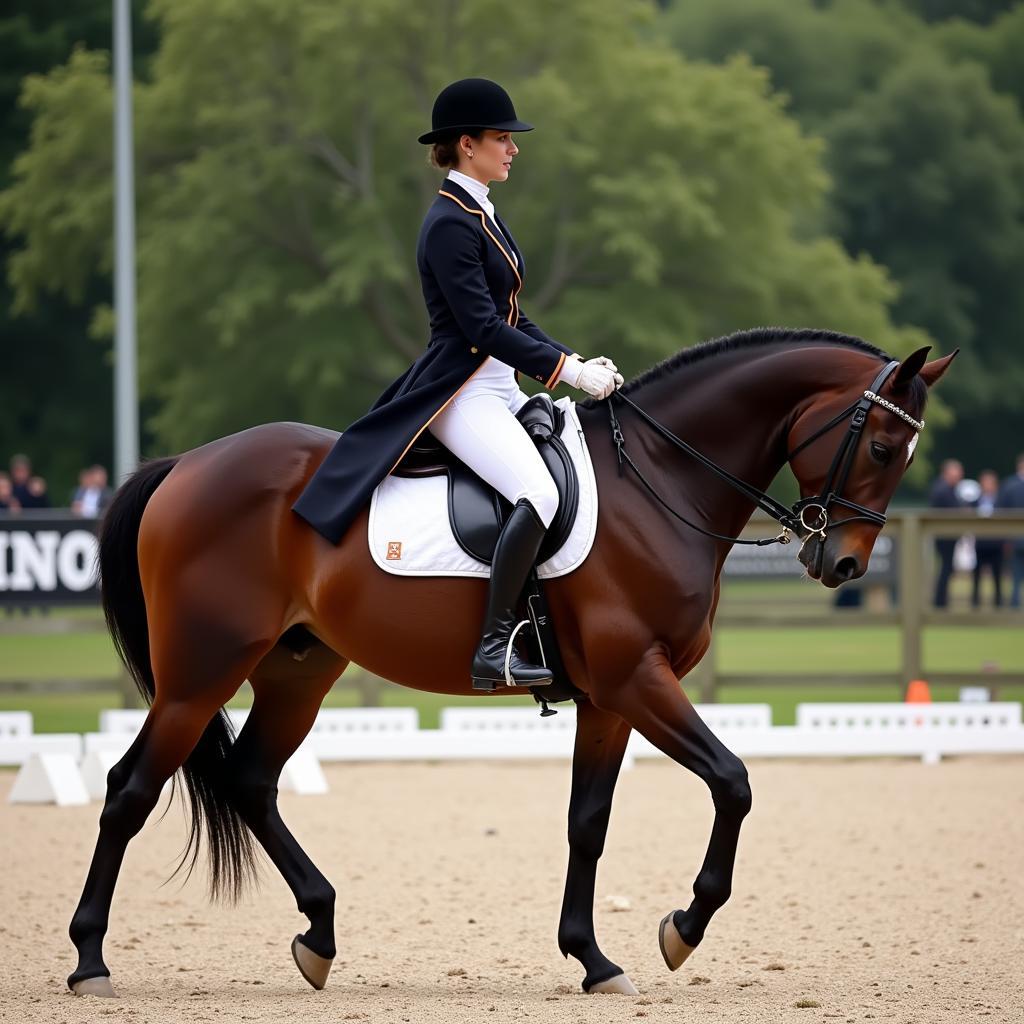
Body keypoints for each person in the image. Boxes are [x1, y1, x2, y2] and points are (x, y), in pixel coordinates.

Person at [293, 78, 622, 688]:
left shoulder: (481, 213)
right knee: (541, 495)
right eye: (503, 138)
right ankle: (494, 647)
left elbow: (515, 316)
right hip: (462, 390)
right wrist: (565, 373)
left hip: (499, 386)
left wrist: (576, 359)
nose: (513, 149)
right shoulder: (449, 222)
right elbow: (481, 327)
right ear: (467, 145)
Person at [929, 458, 964, 608]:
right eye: (957, 471)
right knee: (945, 569)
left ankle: (941, 600)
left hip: (947, 536)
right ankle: (940, 602)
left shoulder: (945, 488)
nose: (960, 475)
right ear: (948, 472)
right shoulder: (943, 489)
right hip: (944, 537)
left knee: (946, 568)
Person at [971, 470, 1004, 608]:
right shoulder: (974, 502)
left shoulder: (1001, 502)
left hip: (996, 544)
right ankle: (975, 602)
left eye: (990, 483)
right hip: (980, 543)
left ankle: (998, 603)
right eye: (985, 483)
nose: (987, 486)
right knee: (977, 574)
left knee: (997, 575)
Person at [1000, 453, 1024, 608]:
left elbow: (1000, 511)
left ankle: (1015, 605)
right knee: (1015, 575)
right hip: (1015, 539)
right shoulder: (1009, 485)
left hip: (1014, 539)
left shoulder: (1008, 485)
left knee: (1015, 575)